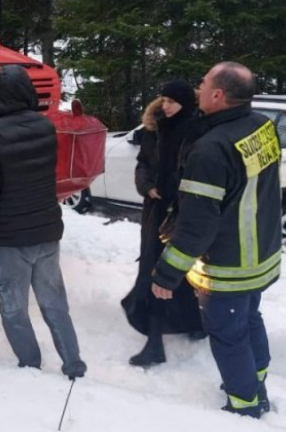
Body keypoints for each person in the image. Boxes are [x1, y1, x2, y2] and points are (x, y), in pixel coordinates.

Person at [151, 62, 282, 418]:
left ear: (218, 94)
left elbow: (197, 223)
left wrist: (166, 274)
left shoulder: (211, 149)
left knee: (228, 334)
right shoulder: (262, 126)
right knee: (250, 319)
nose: (199, 88)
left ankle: (244, 407)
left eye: (203, 83)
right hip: (262, 254)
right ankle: (256, 383)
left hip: (228, 266)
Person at [0, 65, 87, 380]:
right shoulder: (44, 127)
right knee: (54, 303)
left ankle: (30, 367)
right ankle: (74, 365)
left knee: (13, 309)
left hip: (10, 238)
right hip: (47, 229)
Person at [121, 80, 204, 367]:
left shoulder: (197, 132)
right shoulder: (153, 128)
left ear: (186, 104)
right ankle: (154, 342)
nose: (165, 106)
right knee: (155, 271)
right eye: (164, 100)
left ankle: (193, 320)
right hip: (156, 211)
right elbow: (142, 163)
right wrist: (147, 186)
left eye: (172, 102)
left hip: (183, 212)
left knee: (179, 272)